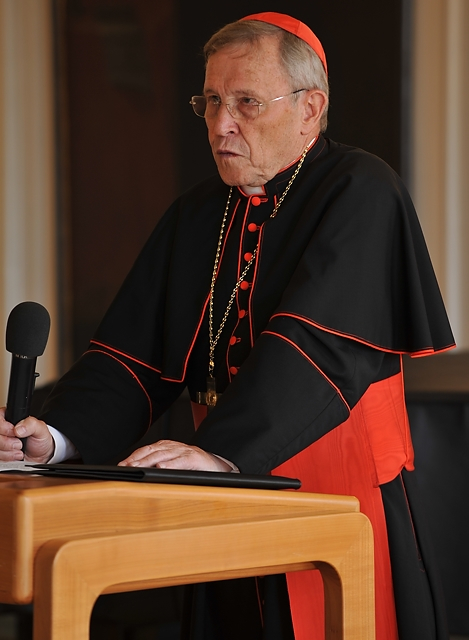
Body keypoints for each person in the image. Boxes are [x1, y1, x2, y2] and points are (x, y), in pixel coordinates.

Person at [0, 11, 455, 640]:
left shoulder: (361, 190)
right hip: (214, 494)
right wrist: (52, 436)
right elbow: (128, 358)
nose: (221, 124)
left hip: (334, 496)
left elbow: (314, 351)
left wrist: (220, 453)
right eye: (211, 101)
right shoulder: (196, 214)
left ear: (310, 109)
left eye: (246, 102)